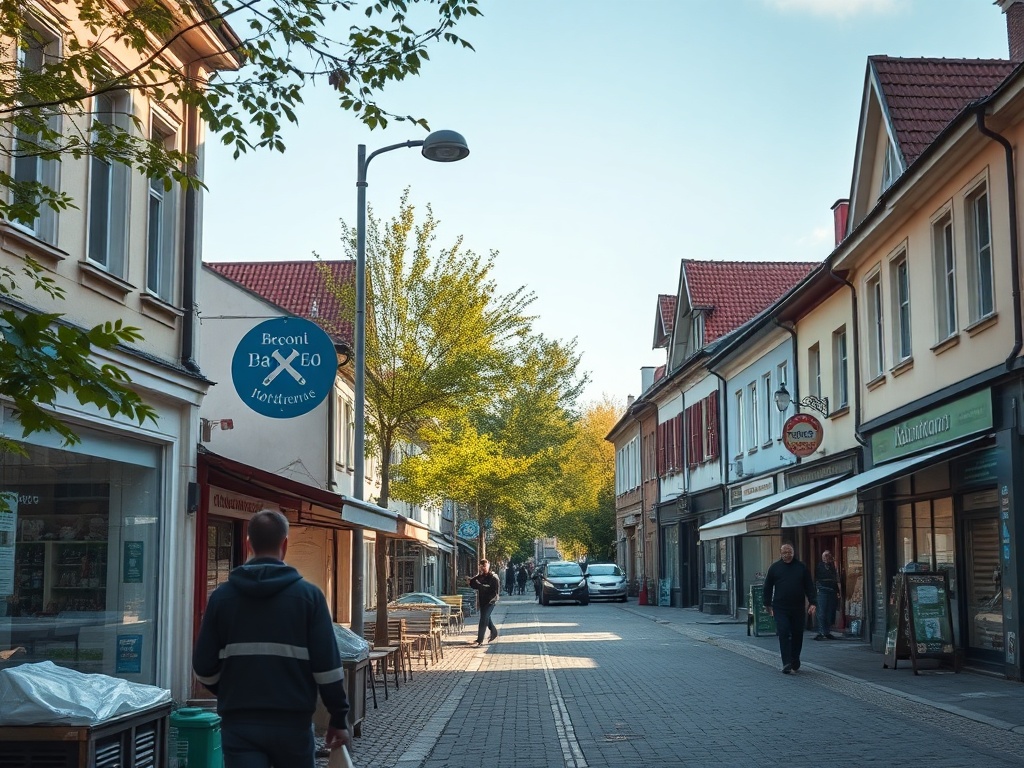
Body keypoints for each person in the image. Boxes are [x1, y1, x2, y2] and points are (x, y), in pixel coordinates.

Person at [193, 509, 351, 767]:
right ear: (285, 544)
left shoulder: (222, 598)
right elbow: (328, 668)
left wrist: (231, 689)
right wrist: (338, 718)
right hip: (293, 723)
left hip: (239, 723)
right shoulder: (309, 597)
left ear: (248, 544)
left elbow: (203, 666)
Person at [763, 542, 816, 674]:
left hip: (798, 607)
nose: (787, 555)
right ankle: (786, 662)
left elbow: (809, 586)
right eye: (785, 552)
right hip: (780, 607)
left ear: (793, 553)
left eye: (789, 552)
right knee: (784, 631)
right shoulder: (775, 568)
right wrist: (767, 604)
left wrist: (813, 602)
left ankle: (795, 658)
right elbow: (767, 586)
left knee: (798, 633)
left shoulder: (801, 567)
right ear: (780, 554)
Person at [468, 558, 501, 646]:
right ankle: (494, 632)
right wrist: (473, 581)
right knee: (487, 618)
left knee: (483, 619)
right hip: (482, 601)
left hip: (490, 601)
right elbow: (473, 583)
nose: (483, 568)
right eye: (481, 567)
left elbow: (495, 591)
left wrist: (481, 586)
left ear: (488, 566)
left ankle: (480, 640)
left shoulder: (494, 577)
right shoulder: (481, 576)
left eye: (485, 566)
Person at [814, 550, 841, 641]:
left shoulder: (833, 566)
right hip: (822, 591)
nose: (826, 558)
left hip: (832, 591)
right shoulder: (820, 566)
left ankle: (827, 632)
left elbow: (835, 580)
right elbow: (817, 578)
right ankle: (821, 632)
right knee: (822, 612)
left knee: (830, 612)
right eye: (824, 556)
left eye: (827, 556)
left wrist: (838, 591)